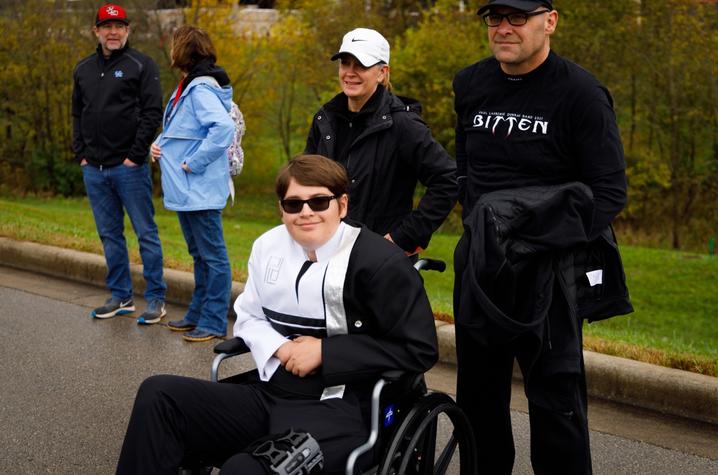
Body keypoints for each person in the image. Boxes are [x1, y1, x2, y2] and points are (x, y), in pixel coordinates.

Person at [116, 154, 438, 474]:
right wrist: (282, 348)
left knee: (245, 470)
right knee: (159, 394)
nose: (306, 212)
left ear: (342, 205)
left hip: (341, 408)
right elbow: (249, 316)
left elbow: (419, 348)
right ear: (281, 210)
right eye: (293, 204)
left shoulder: (379, 262)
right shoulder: (267, 246)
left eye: (319, 201)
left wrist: (325, 352)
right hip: (270, 392)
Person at [452, 1, 632, 474]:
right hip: (481, 265)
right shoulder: (470, 83)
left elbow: (609, 193)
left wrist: (533, 238)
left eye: (518, 17)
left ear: (548, 21)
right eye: (495, 18)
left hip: (547, 273)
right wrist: (481, 225)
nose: (504, 28)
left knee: (556, 401)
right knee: (477, 396)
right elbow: (466, 167)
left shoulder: (581, 93)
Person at [304, 28, 456, 256]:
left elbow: (448, 180)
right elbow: (306, 182)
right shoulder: (324, 119)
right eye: (345, 63)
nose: (350, 73)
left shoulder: (404, 124)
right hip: (325, 252)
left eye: (361, 65)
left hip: (379, 261)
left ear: (382, 72)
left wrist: (403, 238)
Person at [72, 3, 167, 324]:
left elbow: (154, 112)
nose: (113, 32)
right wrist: (80, 152)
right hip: (94, 168)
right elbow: (77, 113)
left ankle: (156, 298)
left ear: (128, 30)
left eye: (120, 27)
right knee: (110, 235)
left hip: (129, 168)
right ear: (96, 31)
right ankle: (121, 296)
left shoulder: (142, 64)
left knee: (146, 233)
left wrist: (134, 156)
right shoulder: (83, 68)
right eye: (107, 27)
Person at [150, 26, 235, 342]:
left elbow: (222, 129)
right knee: (200, 255)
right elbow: (181, 128)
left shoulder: (199, 89)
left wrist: (192, 162)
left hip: (199, 189)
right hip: (188, 191)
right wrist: (158, 144)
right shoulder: (188, 86)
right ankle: (197, 314)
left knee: (213, 257)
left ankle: (213, 322)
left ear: (181, 51)